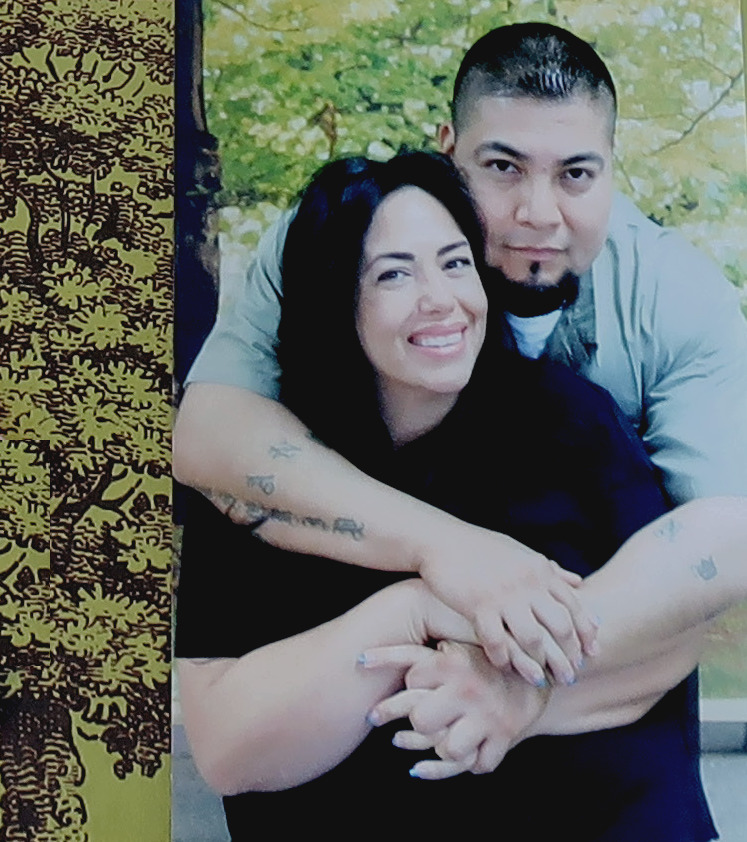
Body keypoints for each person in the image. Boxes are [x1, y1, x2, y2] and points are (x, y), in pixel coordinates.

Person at [176, 151, 745, 840]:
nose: (440, 299)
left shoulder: (571, 425)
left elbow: (673, 641)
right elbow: (230, 750)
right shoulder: (264, 469)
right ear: (335, 297)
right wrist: (415, 609)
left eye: (454, 263)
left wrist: (518, 696)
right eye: (393, 274)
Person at [173, 22, 747, 674]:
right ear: (449, 149)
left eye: (575, 174)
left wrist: (516, 686)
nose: (537, 212)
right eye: (502, 168)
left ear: (612, 165)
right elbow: (208, 434)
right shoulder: (342, 237)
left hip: (597, 694)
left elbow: (722, 535)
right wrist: (447, 548)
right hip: (352, 667)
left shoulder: (677, 299)